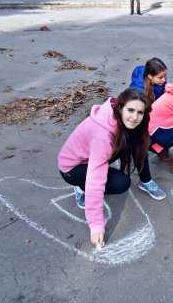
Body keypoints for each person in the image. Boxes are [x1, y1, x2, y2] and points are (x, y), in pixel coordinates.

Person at [58, 89, 150, 249]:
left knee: (128, 146)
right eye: (130, 110)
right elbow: (95, 180)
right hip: (72, 168)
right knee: (121, 183)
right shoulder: (103, 136)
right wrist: (96, 225)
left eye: (140, 112)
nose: (135, 117)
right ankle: (80, 187)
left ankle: (84, 180)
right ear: (120, 107)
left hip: (86, 159)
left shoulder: (117, 119)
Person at [129, 57, 168, 199]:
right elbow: (135, 118)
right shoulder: (138, 93)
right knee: (140, 143)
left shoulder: (155, 81)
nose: (164, 80)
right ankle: (145, 181)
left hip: (146, 116)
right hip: (132, 123)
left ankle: (157, 148)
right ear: (149, 76)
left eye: (165, 76)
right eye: (160, 77)